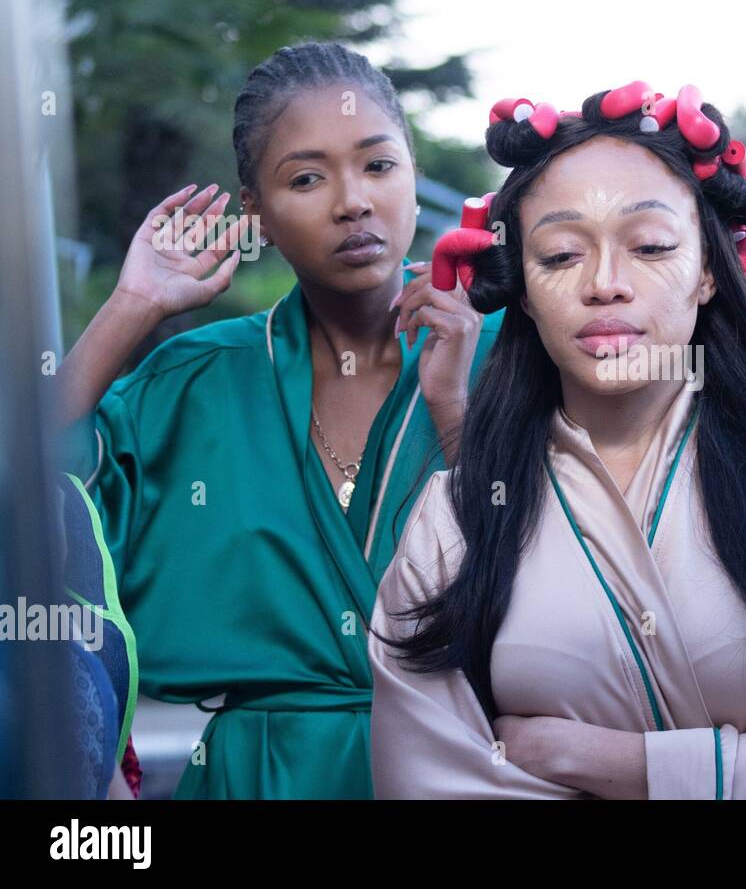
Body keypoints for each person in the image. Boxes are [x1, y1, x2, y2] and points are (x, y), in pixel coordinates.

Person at [368, 81, 746, 799]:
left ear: (711, 271)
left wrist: (611, 762)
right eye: (561, 255)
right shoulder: (456, 513)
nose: (604, 283)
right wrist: (739, 767)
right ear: (525, 293)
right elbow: (426, 775)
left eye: (650, 245)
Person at [57, 41, 500, 798]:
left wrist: (454, 407)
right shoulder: (193, 380)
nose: (352, 200)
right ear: (255, 210)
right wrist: (131, 309)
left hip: (471, 769)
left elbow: (574, 563)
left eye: (378, 165)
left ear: (412, 171)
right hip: (254, 779)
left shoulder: (509, 355)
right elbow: (26, 488)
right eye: (305, 177)